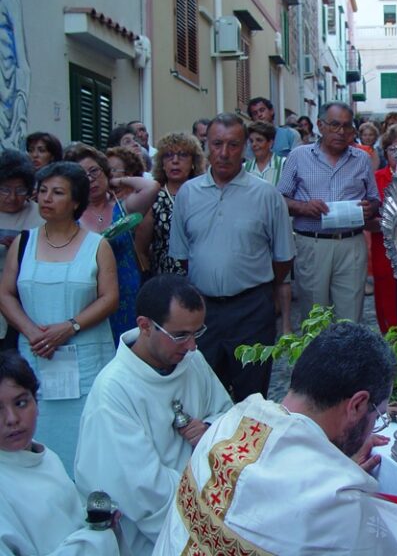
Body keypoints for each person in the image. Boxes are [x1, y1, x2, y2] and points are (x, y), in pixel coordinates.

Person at [153, 322, 397, 555]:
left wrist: (332, 460)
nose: (373, 426)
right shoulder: (331, 498)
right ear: (357, 404)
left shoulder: (228, 426)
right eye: (376, 416)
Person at [75, 275, 232, 556]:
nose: (193, 346)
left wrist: (210, 428)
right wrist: (205, 516)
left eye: (197, 333)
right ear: (145, 326)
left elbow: (227, 414)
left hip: (209, 508)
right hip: (157, 534)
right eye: (181, 335)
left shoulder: (191, 361)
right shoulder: (114, 391)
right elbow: (140, 487)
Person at [0, 162, 118, 475]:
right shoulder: (24, 243)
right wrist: (30, 331)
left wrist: (71, 326)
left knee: (88, 437)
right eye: (42, 191)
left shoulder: (97, 245)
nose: (47, 199)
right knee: (40, 431)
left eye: (57, 192)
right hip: (37, 354)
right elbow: (6, 294)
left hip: (85, 357)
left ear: (76, 201)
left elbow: (109, 297)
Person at [169, 113, 295, 401]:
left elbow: (283, 256)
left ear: (245, 147)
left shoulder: (266, 195)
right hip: (202, 311)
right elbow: (182, 254)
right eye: (217, 144)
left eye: (233, 145)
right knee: (204, 393)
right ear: (206, 146)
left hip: (252, 308)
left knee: (252, 395)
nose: (224, 153)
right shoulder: (188, 194)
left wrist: (259, 286)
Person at [0, 353, 120, 555]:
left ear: (37, 404)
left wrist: (101, 524)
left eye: (21, 403)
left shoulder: (48, 458)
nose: (12, 419)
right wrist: (97, 538)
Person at [278, 101, 380, 323]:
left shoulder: (361, 159)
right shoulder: (299, 156)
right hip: (313, 244)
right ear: (319, 125)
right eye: (334, 125)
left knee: (350, 317)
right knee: (315, 317)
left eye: (346, 126)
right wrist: (303, 207)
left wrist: (369, 208)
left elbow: (374, 199)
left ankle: (347, 358)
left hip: (351, 243)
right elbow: (279, 199)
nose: (341, 132)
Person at [65, 143, 160, 346]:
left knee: (128, 346)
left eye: (94, 171)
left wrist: (115, 180)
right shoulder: (71, 215)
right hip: (91, 291)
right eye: (83, 175)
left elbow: (151, 186)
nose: (90, 179)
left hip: (126, 287)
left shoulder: (122, 206)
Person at [243, 121, 293, 336]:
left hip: (280, 225)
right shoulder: (245, 168)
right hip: (254, 227)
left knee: (283, 275)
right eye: (252, 141)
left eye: (259, 140)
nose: (255, 145)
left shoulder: (284, 164)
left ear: (271, 142)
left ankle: (286, 325)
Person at [134, 132, 204, 277]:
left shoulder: (205, 196)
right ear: (162, 164)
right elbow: (141, 249)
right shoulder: (153, 198)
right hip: (165, 279)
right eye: (168, 155)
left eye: (183, 155)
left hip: (201, 278)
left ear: (193, 162)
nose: (175, 160)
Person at [0, 150, 43, 351]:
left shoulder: (39, 214)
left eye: (20, 190)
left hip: (25, 302)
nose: (13, 197)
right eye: (5, 190)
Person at [368, 126, 397, 333]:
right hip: (384, 249)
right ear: (385, 152)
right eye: (392, 149)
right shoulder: (376, 178)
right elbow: (366, 220)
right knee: (387, 301)